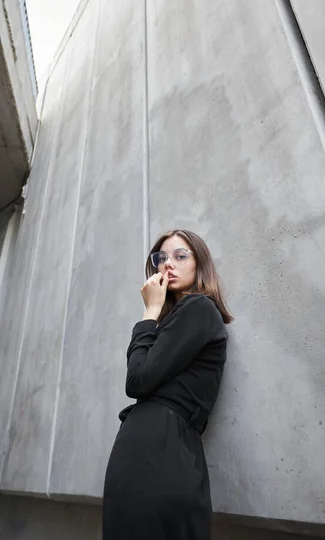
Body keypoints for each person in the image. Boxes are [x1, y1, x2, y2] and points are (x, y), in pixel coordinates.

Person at [102, 229, 233, 540]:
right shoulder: (176, 322)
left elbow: (136, 381)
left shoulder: (199, 309)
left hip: (162, 450)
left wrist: (149, 313)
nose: (167, 265)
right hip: (151, 448)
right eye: (160, 259)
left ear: (199, 264)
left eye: (180, 256)